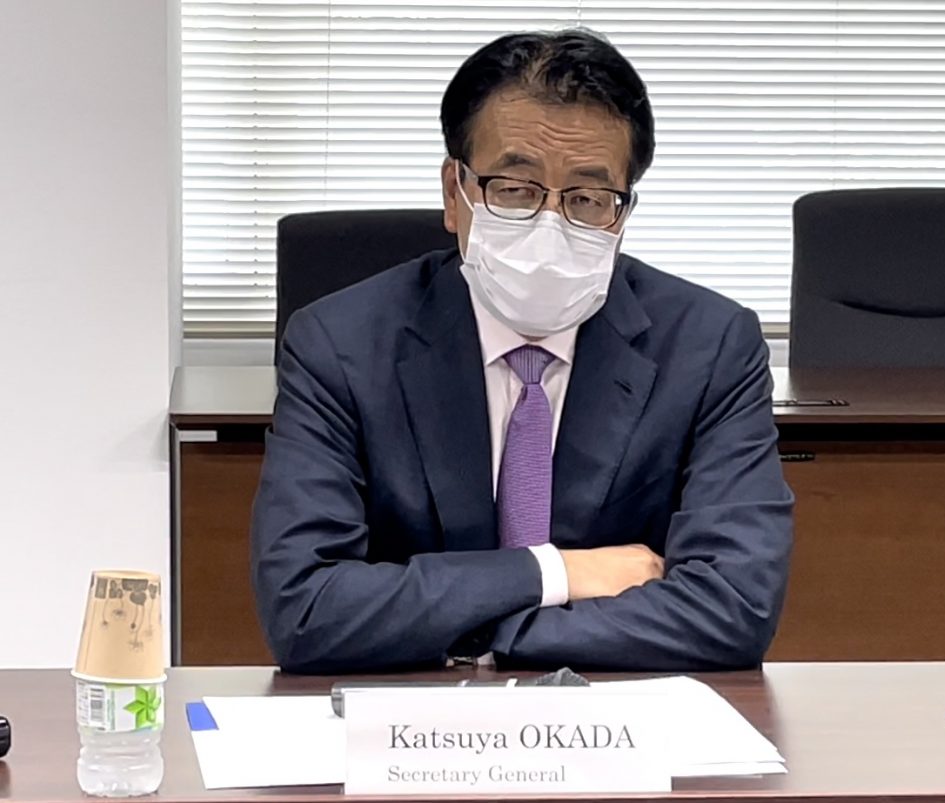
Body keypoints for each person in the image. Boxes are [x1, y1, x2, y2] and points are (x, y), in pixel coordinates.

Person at [251, 28, 793, 674]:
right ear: (455, 195)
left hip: (620, 738)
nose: (550, 226)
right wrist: (556, 572)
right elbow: (306, 609)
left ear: (623, 213)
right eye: (515, 189)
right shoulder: (336, 346)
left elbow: (733, 607)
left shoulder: (710, 349)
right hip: (404, 742)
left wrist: (481, 629)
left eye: (588, 199)